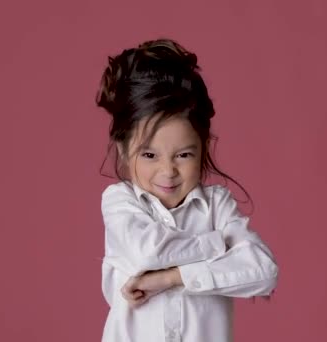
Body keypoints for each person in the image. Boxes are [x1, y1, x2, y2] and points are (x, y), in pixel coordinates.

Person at [95, 38, 279, 342]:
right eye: (150, 155)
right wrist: (216, 244)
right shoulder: (121, 202)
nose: (168, 171)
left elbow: (263, 271)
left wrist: (170, 278)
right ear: (125, 151)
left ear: (203, 147)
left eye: (183, 155)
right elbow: (149, 251)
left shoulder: (217, 205)